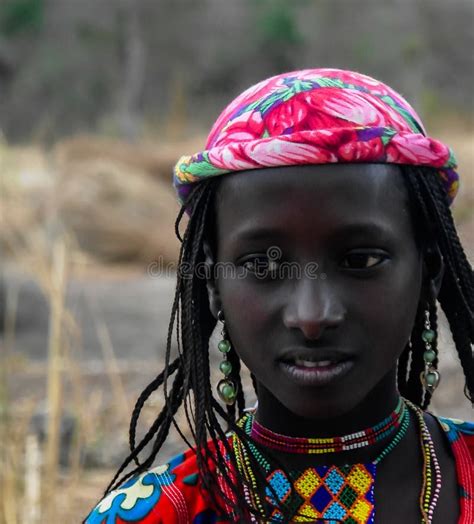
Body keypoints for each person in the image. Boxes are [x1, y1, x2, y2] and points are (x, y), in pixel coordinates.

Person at [85, 69, 473, 523]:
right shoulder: (157, 515)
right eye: (263, 266)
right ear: (213, 284)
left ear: (429, 269)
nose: (312, 316)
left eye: (360, 261)